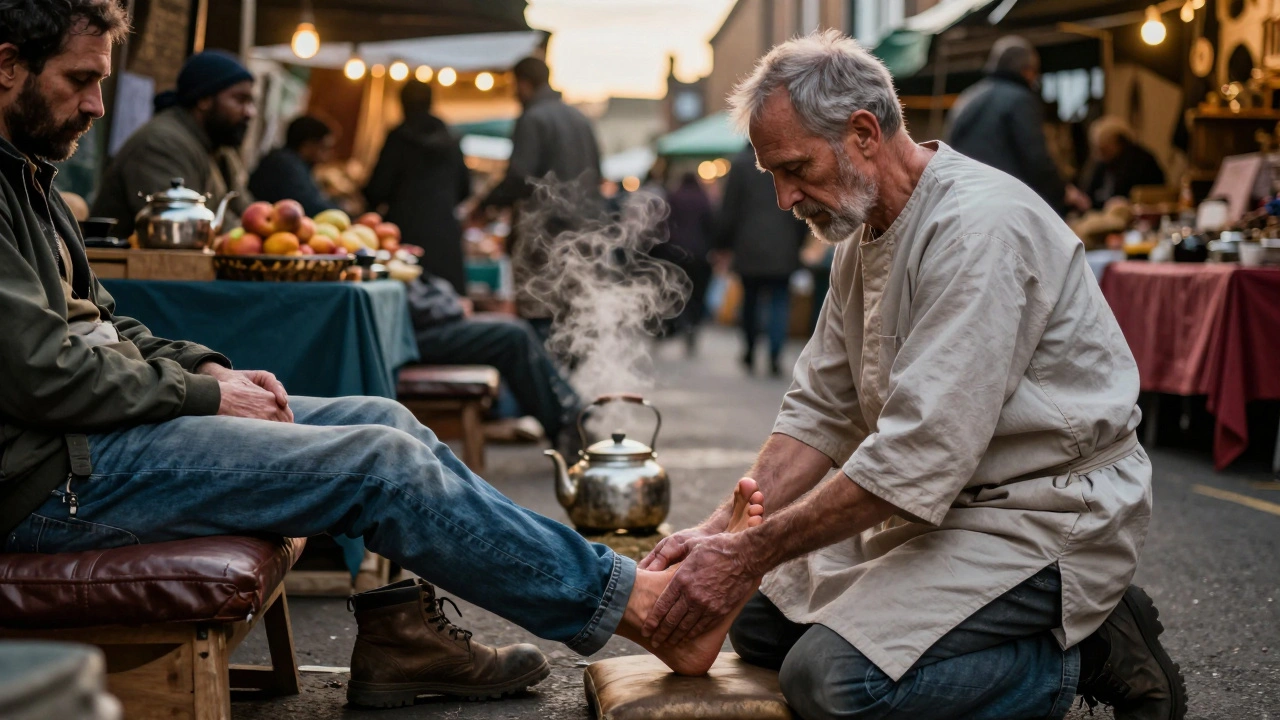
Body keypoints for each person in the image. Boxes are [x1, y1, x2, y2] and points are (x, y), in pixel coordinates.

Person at [0, 3, 761, 711]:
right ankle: (645, 608)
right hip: (50, 478)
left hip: (98, 438)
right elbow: (40, 370)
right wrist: (201, 398)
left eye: (100, 81)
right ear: (7, 65)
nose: (97, 104)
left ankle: (401, 638)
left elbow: (102, 324)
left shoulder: (26, 175)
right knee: (378, 464)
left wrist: (202, 368)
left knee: (381, 413)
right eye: (81, 80)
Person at [639, 31, 1186, 720]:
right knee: (761, 624)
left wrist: (749, 556)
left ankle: (1085, 655)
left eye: (795, 167)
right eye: (771, 175)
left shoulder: (979, 228)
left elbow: (915, 457)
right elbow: (821, 412)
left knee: (831, 684)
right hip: (938, 508)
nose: (782, 198)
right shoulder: (859, 231)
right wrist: (721, 534)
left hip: (1044, 514)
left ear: (864, 133)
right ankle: (1019, 639)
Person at [473, 56, 603, 327]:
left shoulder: (532, 118)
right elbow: (597, 178)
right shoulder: (581, 120)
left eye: (514, 86)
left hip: (544, 239)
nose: (513, 93)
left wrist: (483, 205)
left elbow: (519, 178)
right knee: (573, 321)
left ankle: (544, 370)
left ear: (524, 84)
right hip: (584, 236)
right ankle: (566, 370)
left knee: (540, 315)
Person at [405, 271, 582, 453]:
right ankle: (567, 426)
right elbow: (417, 308)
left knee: (515, 332)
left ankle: (572, 417)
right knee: (513, 336)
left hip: (420, 329)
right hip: (414, 339)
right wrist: (453, 307)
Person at [92, 50, 254, 236]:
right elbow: (184, 227)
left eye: (250, 102)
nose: (250, 112)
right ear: (204, 100)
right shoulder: (161, 143)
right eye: (240, 100)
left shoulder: (219, 149)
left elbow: (247, 213)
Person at [947, 36, 1072, 215]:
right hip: (1002, 202)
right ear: (1027, 70)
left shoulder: (969, 97)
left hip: (964, 201)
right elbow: (1036, 160)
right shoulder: (1020, 99)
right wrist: (1062, 193)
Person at [365, 81, 471, 294]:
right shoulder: (451, 138)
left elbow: (378, 188)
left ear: (402, 104)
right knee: (447, 303)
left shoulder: (398, 137)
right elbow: (465, 188)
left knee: (410, 302)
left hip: (404, 232)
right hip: (444, 232)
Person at [717, 146, 808, 377]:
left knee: (750, 300)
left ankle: (749, 349)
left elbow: (728, 209)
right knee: (779, 302)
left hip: (748, 247)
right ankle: (775, 355)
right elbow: (801, 204)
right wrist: (797, 243)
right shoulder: (787, 158)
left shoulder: (739, 165)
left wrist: (722, 245)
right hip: (783, 248)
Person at [653, 172, 714, 355]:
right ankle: (691, 326)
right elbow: (711, 225)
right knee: (695, 294)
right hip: (698, 254)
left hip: (675, 253)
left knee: (674, 291)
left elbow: (663, 223)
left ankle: (672, 326)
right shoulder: (703, 198)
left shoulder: (673, 196)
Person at [248, 114, 338, 217]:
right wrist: (343, 214)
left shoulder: (293, 163)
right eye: (323, 148)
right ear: (308, 145)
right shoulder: (286, 165)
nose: (326, 156)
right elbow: (310, 206)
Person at [1074, 115, 1167, 210]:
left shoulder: (1141, 162)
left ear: (1119, 142)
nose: (1099, 155)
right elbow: (1090, 194)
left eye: (1103, 150)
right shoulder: (1103, 163)